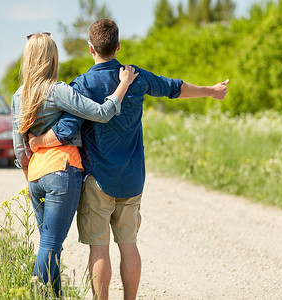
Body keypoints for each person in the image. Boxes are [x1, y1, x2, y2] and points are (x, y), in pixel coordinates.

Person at [28, 19, 229, 300]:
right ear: (118, 46)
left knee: (99, 248)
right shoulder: (135, 76)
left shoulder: (82, 84)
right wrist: (211, 90)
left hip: (98, 180)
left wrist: (38, 141)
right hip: (133, 179)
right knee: (129, 244)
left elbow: (66, 129)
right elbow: (174, 87)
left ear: (90, 49)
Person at [11, 32, 138, 298]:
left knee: (49, 243)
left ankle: (52, 295)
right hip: (61, 171)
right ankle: (38, 294)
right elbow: (102, 113)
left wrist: (31, 175)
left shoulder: (18, 95)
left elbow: (20, 148)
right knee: (51, 244)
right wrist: (123, 84)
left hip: (35, 176)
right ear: (52, 58)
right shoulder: (58, 91)